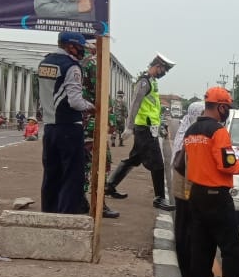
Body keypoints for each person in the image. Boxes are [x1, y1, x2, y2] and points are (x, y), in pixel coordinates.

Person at [183, 86, 239, 277]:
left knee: (201, 245)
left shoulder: (191, 130)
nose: (228, 111)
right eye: (227, 108)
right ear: (221, 107)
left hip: (196, 194)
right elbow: (226, 164)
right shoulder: (218, 131)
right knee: (232, 248)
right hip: (216, 196)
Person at [105, 53, 176, 211]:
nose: (163, 73)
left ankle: (110, 185)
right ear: (157, 66)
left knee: (134, 159)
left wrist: (160, 126)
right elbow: (135, 104)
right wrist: (129, 127)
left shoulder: (152, 83)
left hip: (148, 128)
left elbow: (153, 108)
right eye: (163, 70)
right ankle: (159, 198)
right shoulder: (144, 82)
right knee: (158, 163)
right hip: (144, 129)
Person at [37, 31, 95, 214]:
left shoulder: (45, 63)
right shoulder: (72, 67)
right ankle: (67, 214)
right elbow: (75, 101)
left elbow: (58, 84)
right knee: (72, 175)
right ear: (71, 46)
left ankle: (49, 212)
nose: (82, 52)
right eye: (80, 48)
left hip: (50, 127)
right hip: (69, 127)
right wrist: (91, 107)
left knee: (51, 174)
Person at [78, 37, 118, 218]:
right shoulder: (93, 64)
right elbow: (101, 94)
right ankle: (99, 204)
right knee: (101, 162)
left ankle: (80, 200)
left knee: (81, 163)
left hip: (77, 121)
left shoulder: (76, 61)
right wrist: (110, 121)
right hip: (93, 121)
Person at [171, 100, 206, 277]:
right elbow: (188, 163)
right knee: (189, 229)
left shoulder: (186, 129)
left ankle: (187, 268)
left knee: (183, 226)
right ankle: (189, 271)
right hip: (186, 185)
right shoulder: (192, 134)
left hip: (181, 184)